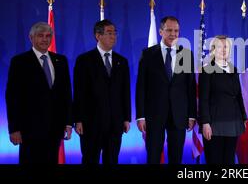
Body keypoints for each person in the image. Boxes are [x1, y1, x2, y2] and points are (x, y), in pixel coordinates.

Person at [5, 22, 72, 164]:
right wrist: (14, 128)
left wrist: (68, 123)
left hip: (55, 128)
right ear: (31, 38)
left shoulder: (61, 61)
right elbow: (13, 97)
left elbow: (66, 95)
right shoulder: (20, 62)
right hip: (29, 130)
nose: (45, 39)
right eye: (40, 36)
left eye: (48, 36)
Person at [136, 16, 197, 164]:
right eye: (169, 30)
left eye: (176, 31)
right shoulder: (148, 54)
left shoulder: (187, 54)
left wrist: (191, 115)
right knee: (153, 156)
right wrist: (141, 116)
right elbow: (141, 87)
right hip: (154, 115)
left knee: (176, 157)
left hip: (179, 115)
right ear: (160, 31)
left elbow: (190, 87)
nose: (173, 34)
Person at [73, 19, 131, 164]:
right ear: (98, 36)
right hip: (90, 123)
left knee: (112, 159)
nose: (113, 37)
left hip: (115, 122)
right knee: (90, 159)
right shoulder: (84, 60)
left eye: (115, 33)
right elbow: (79, 92)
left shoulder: (121, 61)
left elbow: (125, 92)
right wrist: (78, 119)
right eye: (109, 33)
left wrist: (126, 118)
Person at [198, 35, 247, 164]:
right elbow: (203, 99)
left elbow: (238, 95)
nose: (223, 49)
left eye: (226, 46)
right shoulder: (207, 70)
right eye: (220, 46)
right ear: (214, 49)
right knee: (215, 160)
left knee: (229, 161)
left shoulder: (233, 69)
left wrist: (243, 117)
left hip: (233, 122)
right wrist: (205, 123)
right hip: (214, 124)